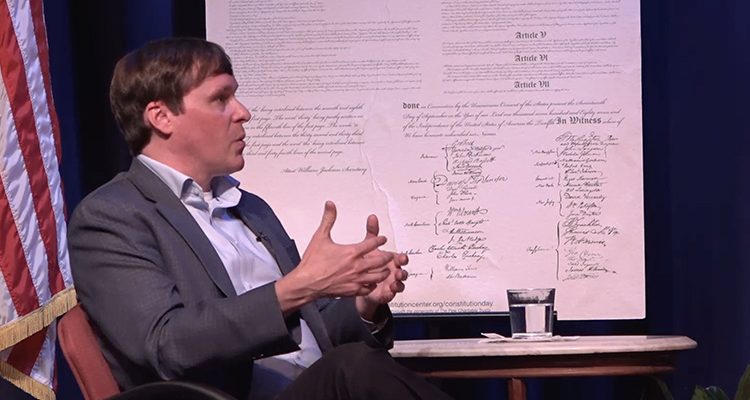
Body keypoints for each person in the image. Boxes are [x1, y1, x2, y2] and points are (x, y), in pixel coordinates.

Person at [67, 37, 452, 400]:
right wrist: (296, 287)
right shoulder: (112, 217)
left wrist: (363, 305)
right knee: (352, 368)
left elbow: (313, 335)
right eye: (221, 98)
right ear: (162, 116)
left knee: (356, 364)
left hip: (311, 387)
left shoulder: (251, 209)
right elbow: (167, 344)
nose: (243, 112)